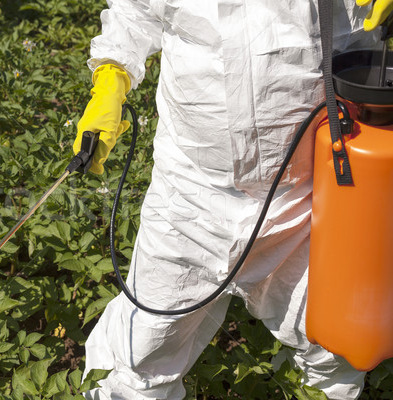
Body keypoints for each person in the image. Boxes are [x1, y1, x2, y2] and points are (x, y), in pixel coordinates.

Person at [72, 1, 388, 399]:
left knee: (336, 346)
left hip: (312, 196)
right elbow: (134, 12)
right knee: (145, 348)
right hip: (189, 193)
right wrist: (110, 80)